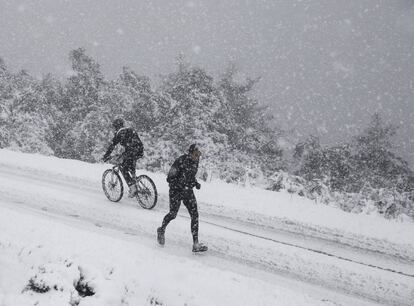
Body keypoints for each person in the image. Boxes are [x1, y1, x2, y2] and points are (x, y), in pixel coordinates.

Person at [157, 144, 208, 252]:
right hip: (176, 191)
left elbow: (190, 175)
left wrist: (195, 183)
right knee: (173, 214)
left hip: (188, 191)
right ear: (190, 153)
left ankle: (195, 244)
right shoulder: (180, 161)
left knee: (195, 215)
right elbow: (169, 178)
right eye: (195, 154)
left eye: (199, 155)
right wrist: (180, 186)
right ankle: (161, 230)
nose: (197, 157)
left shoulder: (195, 162)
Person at [103, 118, 144, 197]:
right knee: (130, 164)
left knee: (123, 168)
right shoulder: (130, 129)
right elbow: (134, 142)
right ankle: (135, 180)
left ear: (115, 127)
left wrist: (106, 156)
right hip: (139, 151)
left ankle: (133, 188)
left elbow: (112, 146)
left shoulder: (119, 133)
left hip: (131, 151)